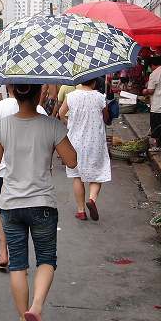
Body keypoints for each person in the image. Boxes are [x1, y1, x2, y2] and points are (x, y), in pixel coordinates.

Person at [0, 84, 77, 321]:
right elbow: (72, 160)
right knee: (46, 259)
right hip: (42, 204)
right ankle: (36, 308)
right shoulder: (52, 126)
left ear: (12, 92)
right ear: (39, 94)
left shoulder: (2, 126)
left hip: (11, 204)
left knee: (18, 265)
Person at [0, 88, 48, 272]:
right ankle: (31, 258)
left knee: (2, 212)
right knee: (31, 212)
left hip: (3, 172)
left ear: (9, 87)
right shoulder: (40, 111)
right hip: (33, 174)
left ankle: (4, 253)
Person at [59, 78, 111, 221]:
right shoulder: (100, 97)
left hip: (75, 141)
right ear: (94, 83)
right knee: (98, 172)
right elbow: (106, 117)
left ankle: (81, 210)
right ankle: (92, 199)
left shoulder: (71, 96)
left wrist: (70, 123)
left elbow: (61, 113)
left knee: (77, 176)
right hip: (96, 141)